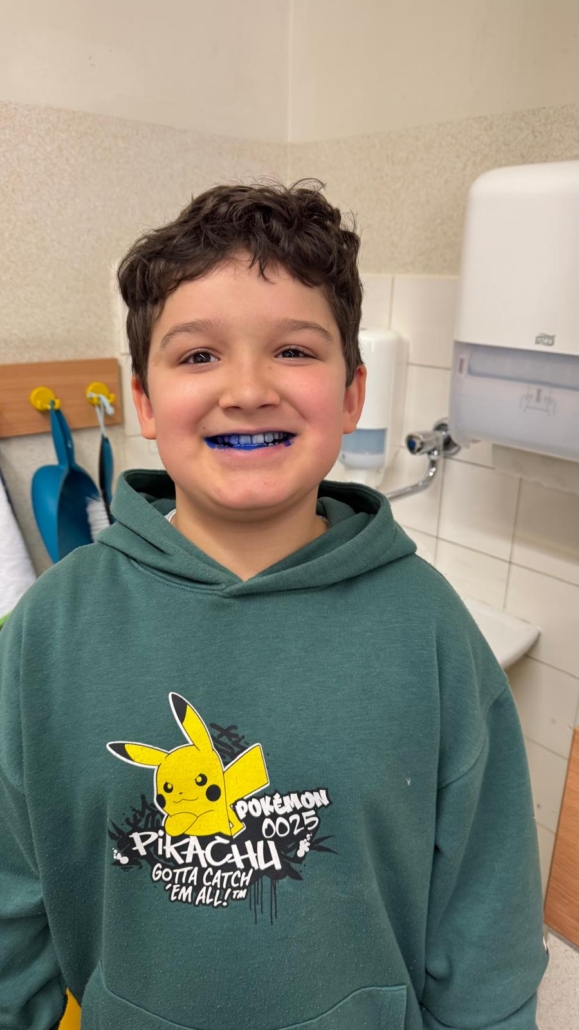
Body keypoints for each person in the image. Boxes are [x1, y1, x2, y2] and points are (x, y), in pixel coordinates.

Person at [0, 180, 548, 1030]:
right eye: (197, 356)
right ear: (143, 402)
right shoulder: (47, 634)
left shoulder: (430, 630)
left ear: (352, 394)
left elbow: (487, 929)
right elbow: (10, 914)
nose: (248, 388)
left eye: (293, 350)